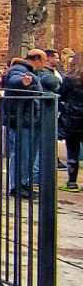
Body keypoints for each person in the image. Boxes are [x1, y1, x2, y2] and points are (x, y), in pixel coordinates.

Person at [3, 50, 48, 198]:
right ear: (37, 59)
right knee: (22, 153)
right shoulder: (19, 70)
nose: (45, 64)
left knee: (28, 154)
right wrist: (23, 82)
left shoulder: (27, 70)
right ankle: (18, 185)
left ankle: (24, 183)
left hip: (29, 119)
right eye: (44, 60)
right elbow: (14, 80)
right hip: (22, 120)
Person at [59, 57, 83, 191]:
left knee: (72, 151)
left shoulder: (70, 79)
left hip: (73, 119)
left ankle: (72, 182)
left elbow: (61, 95)